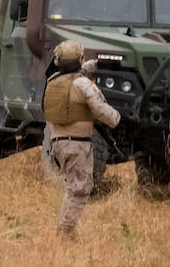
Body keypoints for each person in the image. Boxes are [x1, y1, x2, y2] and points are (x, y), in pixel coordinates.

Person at [45, 40, 121, 237]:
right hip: (77, 145)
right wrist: (117, 119)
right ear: (79, 59)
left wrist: (94, 65)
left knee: (72, 187)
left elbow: (74, 76)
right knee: (79, 189)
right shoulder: (84, 85)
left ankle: (65, 230)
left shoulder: (53, 80)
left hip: (58, 143)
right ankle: (65, 233)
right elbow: (99, 109)